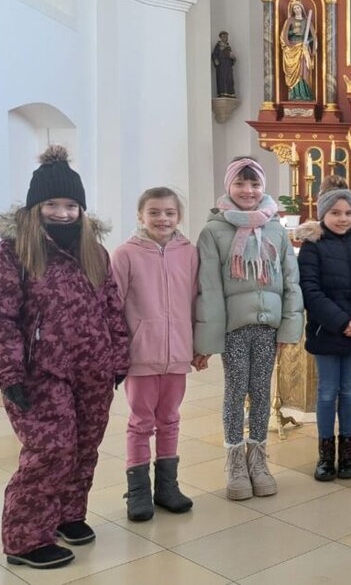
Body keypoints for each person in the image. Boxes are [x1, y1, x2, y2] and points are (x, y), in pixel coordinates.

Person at [0, 145, 129, 569]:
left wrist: (118, 359)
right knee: (51, 450)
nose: (62, 213)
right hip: (40, 373)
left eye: (71, 205)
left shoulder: (94, 252)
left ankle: (66, 515)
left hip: (94, 370)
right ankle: (25, 539)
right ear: (34, 207)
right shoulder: (11, 253)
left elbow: (111, 308)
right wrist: (8, 373)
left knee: (84, 448)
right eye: (52, 204)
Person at [195, 157, 303, 501]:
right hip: (234, 328)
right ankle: (235, 460)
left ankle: (258, 459)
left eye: (254, 184)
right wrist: (209, 339)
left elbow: (290, 280)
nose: (248, 191)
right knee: (235, 390)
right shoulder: (213, 230)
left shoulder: (275, 227)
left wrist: (289, 327)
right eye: (240, 184)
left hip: (267, 326)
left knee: (261, 390)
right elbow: (209, 288)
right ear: (228, 186)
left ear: (263, 187)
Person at [111, 187, 198, 522]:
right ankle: (138, 492)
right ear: (140, 216)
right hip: (141, 355)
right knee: (140, 421)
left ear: (178, 217)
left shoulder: (188, 252)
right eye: (154, 212)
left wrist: (196, 345)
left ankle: (167, 487)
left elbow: (195, 299)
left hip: (177, 352)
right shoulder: (125, 254)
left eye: (169, 213)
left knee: (171, 418)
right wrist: (118, 353)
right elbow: (113, 305)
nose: (162, 218)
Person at [297, 176, 351, 482]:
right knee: (326, 393)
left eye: (348, 213)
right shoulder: (313, 247)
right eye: (335, 213)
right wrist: (341, 322)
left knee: (349, 392)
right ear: (323, 214)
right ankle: (325, 456)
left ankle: (347, 455)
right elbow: (310, 290)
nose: (343, 218)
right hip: (327, 331)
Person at [281, 0, 316, 101]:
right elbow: (284, 35)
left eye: (298, 8)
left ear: (301, 9)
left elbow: (312, 36)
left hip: (303, 48)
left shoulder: (306, 21)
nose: (296, 10)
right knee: (293, 72)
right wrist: (293, 33)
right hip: (292, 48)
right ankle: (295, 94)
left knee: (303, 70)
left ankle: (304, 94)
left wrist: (308, 42)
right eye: (294, 8)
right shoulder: (290, 21)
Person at [211, 31, 236, 98]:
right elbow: (214, 55)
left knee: (229, 79)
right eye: (224, 36)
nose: (225, 38)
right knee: (222, 79)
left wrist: (233, 58)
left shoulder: (228, 47)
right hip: (222, 66)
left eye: (226, 37)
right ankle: (223, 93)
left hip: (228, 66)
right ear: (221, 37)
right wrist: (216, 60)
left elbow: (231, 57)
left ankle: (230, 93)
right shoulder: (218, 46)